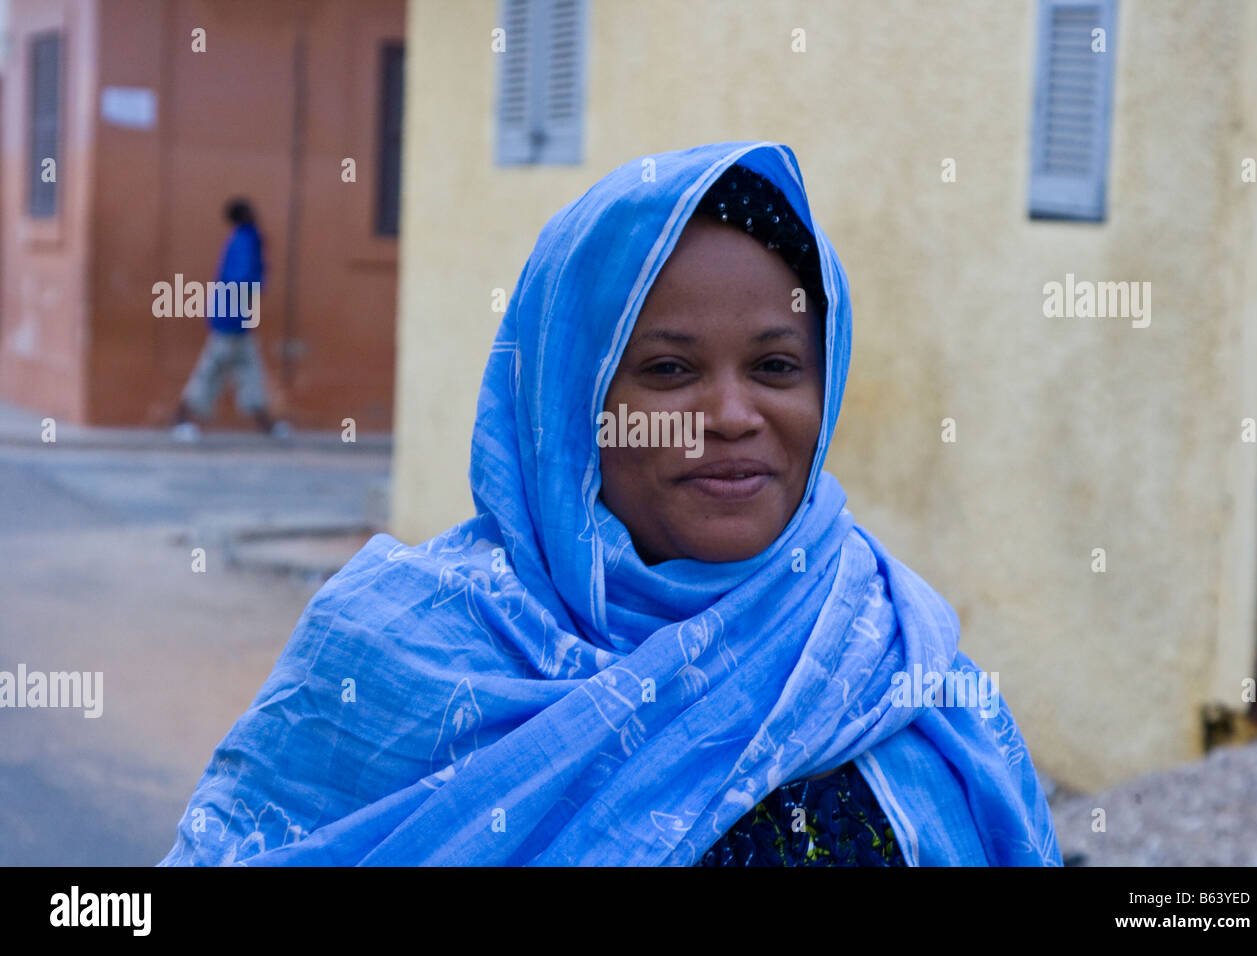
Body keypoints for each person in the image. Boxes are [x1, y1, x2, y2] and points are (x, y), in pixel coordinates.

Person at [159, 142, 1061, 866]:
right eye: (669, 370)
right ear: (573, 407)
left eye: (777, 366)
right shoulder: (398, 655)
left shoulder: (897, 667)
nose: (734, 416)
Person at [172, 198, 289, 440]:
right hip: (232, 317)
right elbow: (243, 278)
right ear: (246, 214)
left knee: (248, 370)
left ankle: (266, 424)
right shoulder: (248, 239)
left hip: (233, 317)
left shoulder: (238, 239)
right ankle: (182, 418)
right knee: (214, 370)